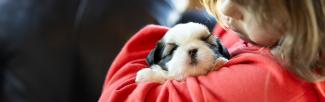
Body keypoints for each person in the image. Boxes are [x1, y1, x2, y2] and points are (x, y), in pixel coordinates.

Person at [99, 0, 325, 101]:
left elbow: (117, 97)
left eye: (255, 1)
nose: (226, 6)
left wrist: (156, 39)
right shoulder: (261, 31)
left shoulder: (267, 83)